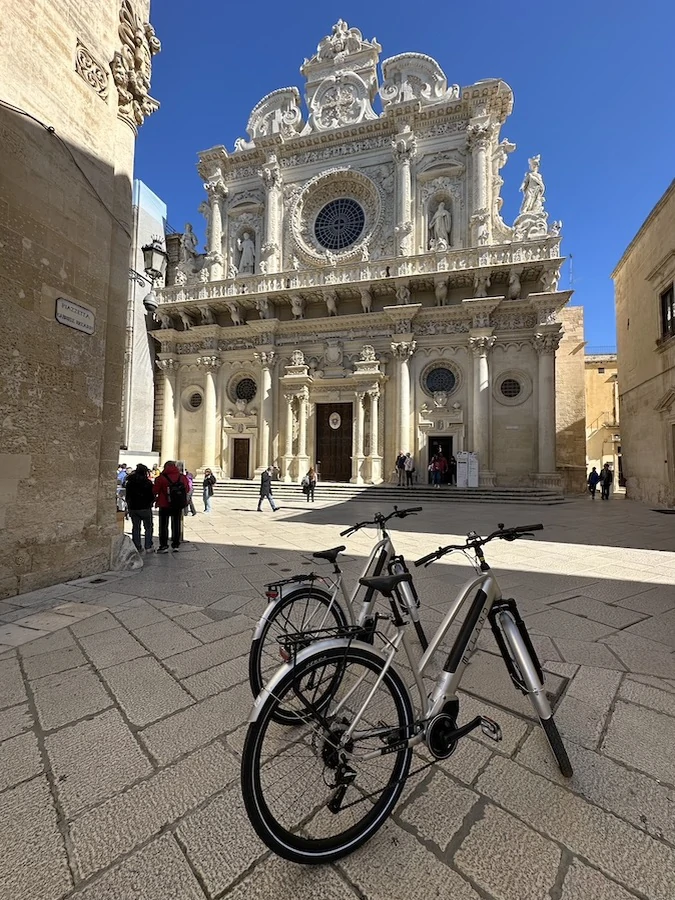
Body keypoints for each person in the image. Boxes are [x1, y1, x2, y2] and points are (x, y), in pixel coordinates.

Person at [153, 460, 190, 553]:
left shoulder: (160, 478)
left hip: (164, 504)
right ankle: (176, 545)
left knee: (163, 525)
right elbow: (188, 489)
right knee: (176, 524)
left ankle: (164, 546)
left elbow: (155, 491)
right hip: (177, 504)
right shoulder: (182, 477)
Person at [124, 464, 154, 553]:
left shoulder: (130, 482)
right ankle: (148, 546)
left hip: (133, 507)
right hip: (145, 507)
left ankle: (137, 546)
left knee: (136, 527)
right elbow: (151, 495)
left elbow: (127, 495)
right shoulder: (147, 483)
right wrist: (150, 503)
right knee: (148, 527)